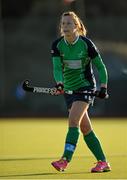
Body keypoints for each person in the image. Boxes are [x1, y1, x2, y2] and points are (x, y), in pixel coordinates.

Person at [50, 11, 111, 173]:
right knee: (85, 128)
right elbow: (57, 68)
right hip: (69, 90)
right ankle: (103, 162)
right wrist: (60, 83)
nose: (65, 27)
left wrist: (103, 87)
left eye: (69, 23)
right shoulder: (57, 45)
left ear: (76, 26)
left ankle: (64, 160)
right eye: (63, 24)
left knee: (73, 121)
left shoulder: (86, 44)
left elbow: (101, 66)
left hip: (85, 88)